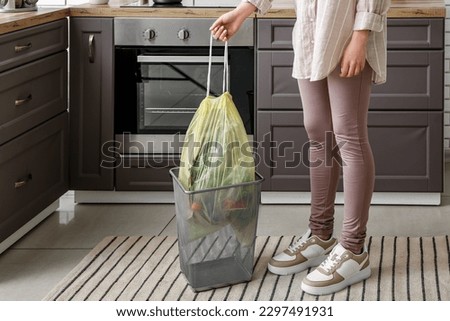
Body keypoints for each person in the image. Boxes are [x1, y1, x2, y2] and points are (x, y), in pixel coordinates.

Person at [210, 0, 391, 296]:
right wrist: (242, 11)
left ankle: (354, 249)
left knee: (349, 136)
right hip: (310, 33)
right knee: (318, 133)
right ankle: (321, 234)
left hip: (346, 30)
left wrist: (361, 35)